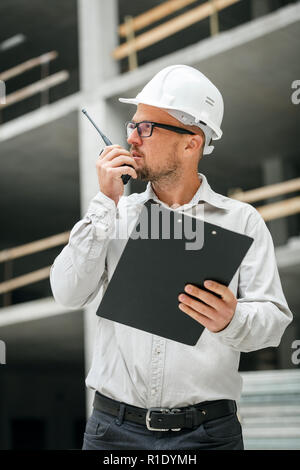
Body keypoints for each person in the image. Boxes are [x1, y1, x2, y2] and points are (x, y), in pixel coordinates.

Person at [50, 65, 293, 451]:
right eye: (132, 125)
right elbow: (66, 292)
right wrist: (105, 202)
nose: (131, 137)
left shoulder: (240, 221)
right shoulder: (116, 214)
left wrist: (232, 319)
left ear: (191, 142)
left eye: (146, 127)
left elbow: (275, 323)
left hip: (208, 436)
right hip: (112, 433)